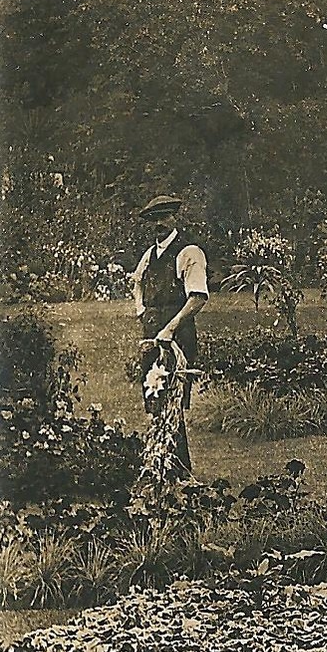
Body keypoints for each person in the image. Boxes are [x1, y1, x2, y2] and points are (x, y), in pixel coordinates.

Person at [129, 194, 208, 473]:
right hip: (152, 336)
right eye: (153, 220)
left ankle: (178, 469)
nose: (158, 224)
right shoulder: (149, 256)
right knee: (154, 398)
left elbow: (197, 297)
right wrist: (142, 313)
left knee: (171, 399)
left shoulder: (189, 252)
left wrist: (170, 328)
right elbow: (136, 284)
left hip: (177, 338)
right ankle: (164, 464)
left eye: (163, 217)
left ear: (175, 218)